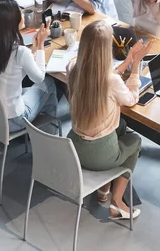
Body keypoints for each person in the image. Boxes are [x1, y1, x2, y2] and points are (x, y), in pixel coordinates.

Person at [66, 20, 154, 219]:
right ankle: (117, 202)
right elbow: (131, 99)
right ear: (107, 48)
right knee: (135, 141)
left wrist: (126, 62)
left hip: (73, 147)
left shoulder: (73, 67)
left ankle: (103, 189)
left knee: (121, 125)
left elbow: (98, 76)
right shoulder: (111, 81)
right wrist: (135, 66)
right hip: (99, 155)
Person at [0, 0, 58, 132]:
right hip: (14, 119)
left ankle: (39, 127)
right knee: (49, 83)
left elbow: (13, 69)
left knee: (32, 88)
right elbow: (39, 78)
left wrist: (32, 50)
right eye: (19, 13)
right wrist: (40, 45)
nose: (22, 15)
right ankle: (46, 133)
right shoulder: (19, 52)